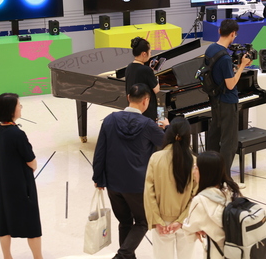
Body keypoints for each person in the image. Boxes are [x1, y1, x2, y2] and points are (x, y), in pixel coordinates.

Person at [92, 83, 168, 259]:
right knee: (143, 221)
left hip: (113, 182)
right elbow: (167, 143)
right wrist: (167, 127)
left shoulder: (110, 120)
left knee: (124, 222)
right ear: (146, 101)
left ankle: (126, 256)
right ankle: (122, 255)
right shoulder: (148, 125)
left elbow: (100, 151)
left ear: (128, 98)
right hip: (137, 184)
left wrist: (98, 178)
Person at [0, 93, 43, 259]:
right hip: (22, 184)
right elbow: (31, 161)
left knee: (5, 221)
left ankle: (7, 256)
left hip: (4, 183)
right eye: (18, 105)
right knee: (32, 224)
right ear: (11, 110)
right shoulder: (17, 134)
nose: (20, 107)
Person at [144, 117, 199, 258]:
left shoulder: (156, 158)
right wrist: (180, 220)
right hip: (186, 221)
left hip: (162, 221)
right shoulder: (194, 161)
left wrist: (156, 220)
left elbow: (149, 193)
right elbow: (196, 196)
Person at [205, 19, 252, 176]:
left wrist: (236, 68)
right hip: (227, 101)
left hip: (215, 99)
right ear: (233, 34)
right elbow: (231, 84)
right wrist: (242, 66)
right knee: (229, 142)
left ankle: (211, 172)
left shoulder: (211, 49)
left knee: (214, 136)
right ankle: (224, 177)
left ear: (219, 31)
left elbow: (219, 74)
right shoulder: (225, 58)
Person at [182, 151, 241, 259]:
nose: (193, 171)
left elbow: (188, 231)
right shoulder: (231, 189)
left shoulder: (200, 200)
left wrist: (198, 229)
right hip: (237, 251)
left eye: (196, 168)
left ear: (205, 173)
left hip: (217, 253)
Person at [125, 36, 160, 122]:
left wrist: (150, 70)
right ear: (144, 54)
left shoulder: (129, 67)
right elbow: (157, 90)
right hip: (147, 112)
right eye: (150, 52)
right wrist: (154, 75)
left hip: (134, 109)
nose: (150, 55)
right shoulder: (146, 70)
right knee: (161, 115)